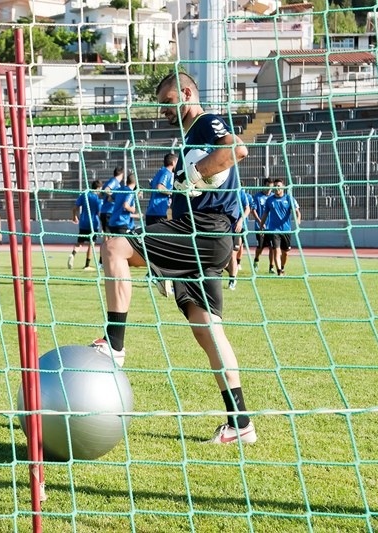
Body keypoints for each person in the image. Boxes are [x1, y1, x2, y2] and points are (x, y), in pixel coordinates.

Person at [91, 72, 256, 445]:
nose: (164, 111)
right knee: (207, 329)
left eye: (167, 102)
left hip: (208, 230)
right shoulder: (188, 137)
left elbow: (236, 149)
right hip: (203, 235)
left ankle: (114, 346)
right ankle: (240, 422)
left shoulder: (203, 122)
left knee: (114, 245)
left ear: (185, 92)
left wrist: (195, 174)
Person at [262, 177, 301, 277]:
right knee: (276, 250)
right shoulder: (270, 200)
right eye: (275, 186)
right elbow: (265, 214)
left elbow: (297, 212)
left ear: (283, 187)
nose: (277, 188)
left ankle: (282, 267)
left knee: (286, 252)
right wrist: (261, 226)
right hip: (273, 230)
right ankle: (279, 271)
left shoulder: (289, 198)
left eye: (279, 186)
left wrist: (298, 219)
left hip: (286, 230)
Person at [68, 180, 101, 270]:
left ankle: (73, 254)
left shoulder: (84, 194)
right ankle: (87, 265)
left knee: (80, 243)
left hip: (83, 222)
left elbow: (75, 208)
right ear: (98, 188)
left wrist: (74, 217)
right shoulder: (97, 198)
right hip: (93, 223)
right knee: (91, 244)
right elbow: (99, 213)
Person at [226, 187, 251, 291]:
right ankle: (232, 271)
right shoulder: (223, 190)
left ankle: (232, 280)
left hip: (236, 228)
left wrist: (240, 221)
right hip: (223, 226)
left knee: (233, 254)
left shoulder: (240, 192)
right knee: (219, 257)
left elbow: (247, 208)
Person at [251, 178, 275, 273]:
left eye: (271, 188)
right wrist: (260, 222)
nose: (269, 189)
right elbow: (253, 210)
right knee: (260, 247)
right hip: (259, 227)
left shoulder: (273, 197)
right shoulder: (257, 196)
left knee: (272, 247)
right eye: (268, 187)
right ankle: (256, 260)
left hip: (271, 227)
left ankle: (271, 267)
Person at [144, 154, 176, 226]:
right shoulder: (167, 173)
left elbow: (152, 186)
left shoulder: (159, 172)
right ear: (173, 162)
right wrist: (173, 193)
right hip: (158, 212)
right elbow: (160, 187)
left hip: (151, 212)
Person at [98, 166, 124, 234]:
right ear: (121, 174)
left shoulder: (110, 181)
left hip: (106, 211)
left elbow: (101, 194)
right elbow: (107, 190)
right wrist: (112, 197)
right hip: (108, 212)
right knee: (108, 235)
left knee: (109, 235)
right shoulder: (114, 181)